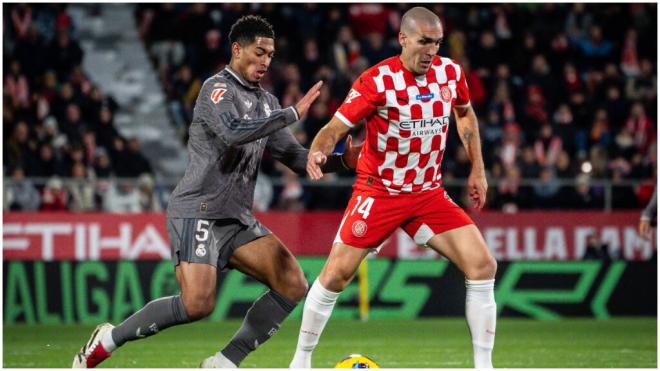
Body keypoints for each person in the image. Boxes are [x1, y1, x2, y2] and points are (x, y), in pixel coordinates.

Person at [72, 15, 360, 368]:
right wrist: (290, 114)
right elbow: (233, 132)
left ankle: (225, 361)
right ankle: (108, 339)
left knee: (292, 282)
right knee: (197, 304)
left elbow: (298, 160)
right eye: (259, 52)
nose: (266, 61)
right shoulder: (215, 89)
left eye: (271, 54)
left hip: (236, 218)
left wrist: (342, 161)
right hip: (199, 210)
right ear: (237, 50)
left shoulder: (267, 102)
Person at [289, 7, 497, 369]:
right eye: (423, 42)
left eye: (437, 43)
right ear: (403, 39)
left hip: (428, 194)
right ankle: (300, 361)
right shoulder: (377, 81)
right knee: (336, 275)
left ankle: (484, 366)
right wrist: (318, 151)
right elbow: (335, 129)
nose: (431, 51)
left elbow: (464, 113)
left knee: (482, 265)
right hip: (379, 192)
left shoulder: (450, 73)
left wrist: (478, 168)